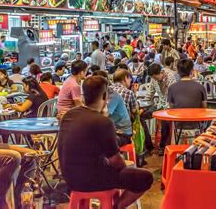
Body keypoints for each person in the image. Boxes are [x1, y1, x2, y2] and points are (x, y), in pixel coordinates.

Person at [58, 76, 153, 208]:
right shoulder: (103, 122)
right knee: (145, 178)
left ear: (83, 95)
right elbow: (116, 162)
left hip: (69, 178)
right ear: (104, 96)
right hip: (92, 179)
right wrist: (125, 170)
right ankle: (116, 207)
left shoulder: (69, 115)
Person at [93, 71, 133, 147]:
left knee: (99, 144)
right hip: (109, 130)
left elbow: (104, 115)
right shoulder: (98, 95)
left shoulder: (113, 95)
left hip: (122, 133)